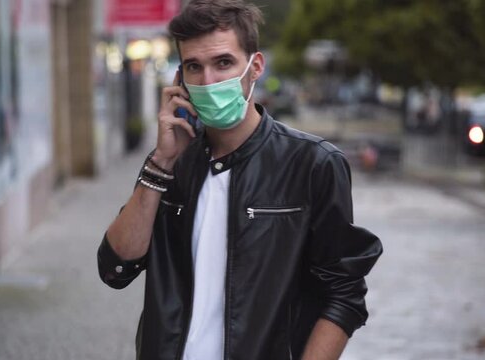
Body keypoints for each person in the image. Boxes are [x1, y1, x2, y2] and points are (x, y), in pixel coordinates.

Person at [97, 0, 382, 359]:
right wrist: (161, 162)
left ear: (255, 66)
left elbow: (344, 292)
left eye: (223, 62)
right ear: (180, 78)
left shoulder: (312, 164)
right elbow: (115, 268)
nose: (209, 80)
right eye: (194, 67)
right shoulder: (172, 165)